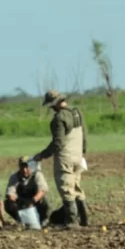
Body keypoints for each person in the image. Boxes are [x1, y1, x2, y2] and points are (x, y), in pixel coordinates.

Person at [33, 90, 88, 228]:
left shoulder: (59, 118)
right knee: (76, 187)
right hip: (78, 155)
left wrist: (43, 154)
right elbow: (84, 134)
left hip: (66, 158)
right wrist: (82, 153)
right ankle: (85, 219)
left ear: (55, 104)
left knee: (66, 189)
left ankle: (72, 221)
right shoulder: (77, 112)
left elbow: (58, 143)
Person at [4, 156, 50, 225]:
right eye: (22, 167)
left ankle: (42, 220)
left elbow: (42, 190)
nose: (24, 170)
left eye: (27, 167)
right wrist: (20, 205)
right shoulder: (15, 177)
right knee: (8, 203)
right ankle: (21, 220)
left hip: (35, 201)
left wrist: (32, 202)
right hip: (21, 202)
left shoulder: (37, 175)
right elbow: (10, 194)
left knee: (45, 201)